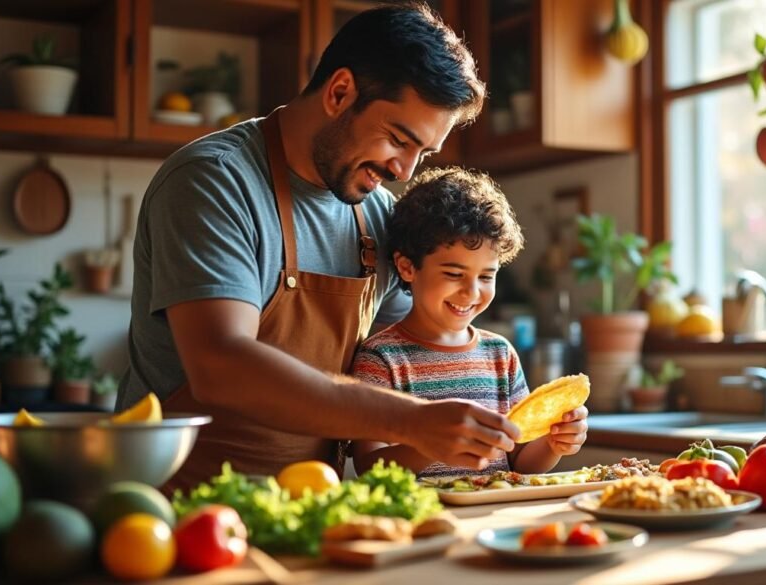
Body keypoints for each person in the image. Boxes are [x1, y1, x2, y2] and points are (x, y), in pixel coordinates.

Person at [118, 4, 519, 492]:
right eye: (398, 139)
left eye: (424, 153)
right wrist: (412, 421)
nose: (405, 171)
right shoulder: (214, 181)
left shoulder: (376, 217)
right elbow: (221, 366)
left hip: (311, 510)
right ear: (339, 91)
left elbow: (411, 350)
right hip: (176, 506)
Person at [350, 167, 589, 478]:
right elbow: (369, 466)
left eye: (486, 276)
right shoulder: (381, 359)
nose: (471, 292)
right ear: (407, 267)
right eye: (453, 274)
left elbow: (520, 460)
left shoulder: (500, 355)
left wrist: (553, 444)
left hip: (492, 516)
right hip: (422, 521)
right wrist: (432, 445)